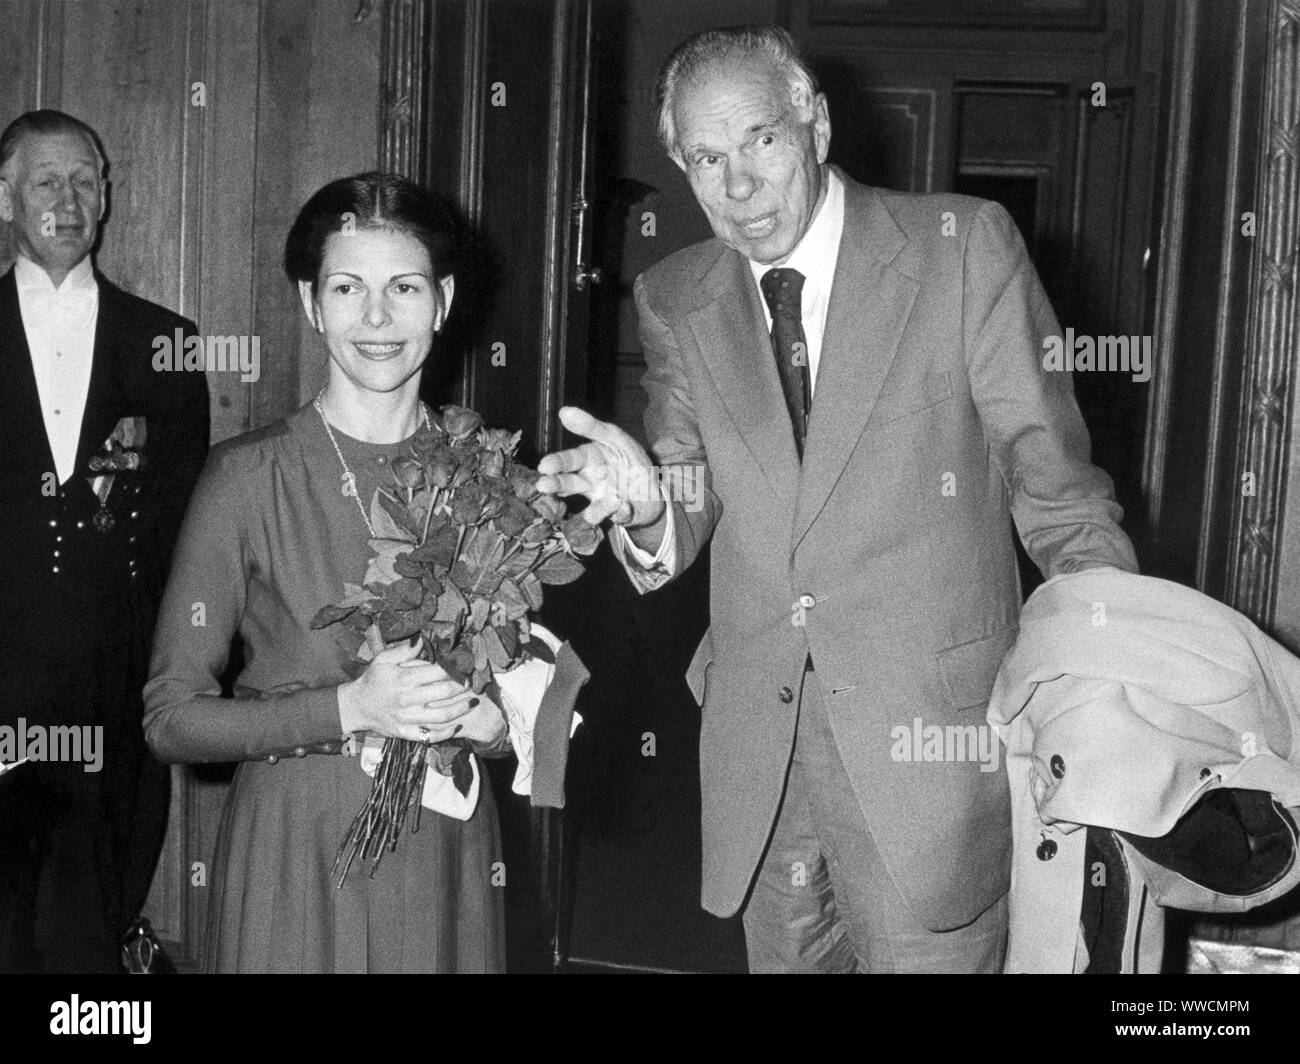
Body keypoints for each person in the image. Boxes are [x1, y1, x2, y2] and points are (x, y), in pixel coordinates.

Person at [537, 26, 1138, 972]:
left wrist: (1110, 674)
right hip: (762, 765)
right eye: (706, 159)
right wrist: (649, 504)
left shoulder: (962, 249)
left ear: (814, 121)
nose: (738, 188)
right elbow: (687, 494)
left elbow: (1056, 491)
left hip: (929, 753)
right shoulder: (675, 295)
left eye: (761, 141)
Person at [144, 173, 541, 973]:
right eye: (347, 287)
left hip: (446, 851)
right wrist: (348, 707)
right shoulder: (247, 477)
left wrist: (497, 729)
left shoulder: (496, 477)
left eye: (404, 287)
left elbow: (527, 703)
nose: (376, 317)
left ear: (445, 299)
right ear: (311, 303)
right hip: (293, 854)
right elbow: (172, 720)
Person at [0, 109, 209, 973]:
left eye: (85, 180)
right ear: (6, 196)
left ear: (109, 196)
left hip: (113, 679)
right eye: (45, 181)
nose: (68, 199)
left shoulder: (166, 344)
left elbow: (181, 528)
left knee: (93, 918)